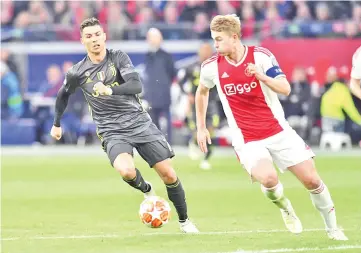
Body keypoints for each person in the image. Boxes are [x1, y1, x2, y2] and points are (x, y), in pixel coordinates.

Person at [195, 14, 347, 240]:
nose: (214, 45)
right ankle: (286, 207)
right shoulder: (211, 67)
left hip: (279, 132)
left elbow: (285, 88)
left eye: (218, 39)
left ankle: (333, 229)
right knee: (268, 179)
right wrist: (201, 126)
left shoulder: (261, 56)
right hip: (247, 139)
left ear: (234, 37)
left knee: (312, 181)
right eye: (213, 39)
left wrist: (261, 76)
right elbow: (202, 91)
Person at [50, 17, 198, 233]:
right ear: (83, 41)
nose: (95, 40)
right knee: (126, 171)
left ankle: (185, 221)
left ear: (104, 36)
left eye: (97, 35)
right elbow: (62, 95)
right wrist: (56, 123)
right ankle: (147, 190)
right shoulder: (77, 72)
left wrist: (110, 90)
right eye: (89, 36)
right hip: (111, 130)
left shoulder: (118, 57)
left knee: (168, 174)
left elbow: (136, 85)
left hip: (139, 122)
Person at [179, 42, 219, 169]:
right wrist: (188, 94)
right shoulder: (191, 67)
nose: (205, 53)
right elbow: (180, 82)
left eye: (208, 51)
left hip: (212, 102)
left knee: (212, 129)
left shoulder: (216, 66)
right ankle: (194, 142)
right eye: (203, 51)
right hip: (196, 103)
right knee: (198, 130)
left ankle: (206, 158)